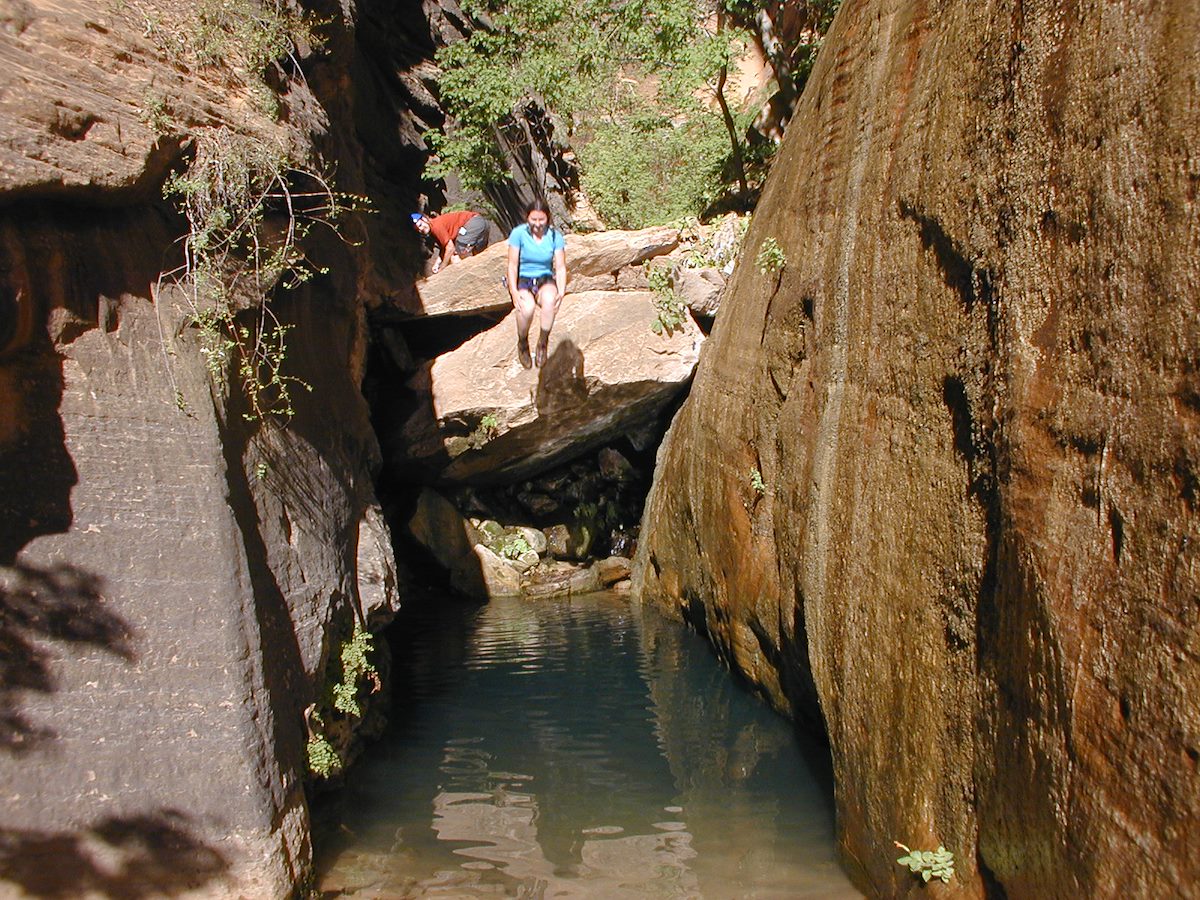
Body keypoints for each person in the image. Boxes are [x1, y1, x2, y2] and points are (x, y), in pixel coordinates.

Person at [506, 199, 566, 369]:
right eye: (534, 220)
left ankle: (543, 342)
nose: (537, 224)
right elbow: (512, 265)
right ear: (527, 218)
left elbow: (560, 267)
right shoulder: (518, 234)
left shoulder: (555, 236)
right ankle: (523, 341)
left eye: (541, 220)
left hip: (544, 278)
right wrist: (514, 292)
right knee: (527, 308)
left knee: (549, 302)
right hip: (524, 279)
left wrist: (561, 291)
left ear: (547, 218)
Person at [411, 209, 492, 272]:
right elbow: (445, 248)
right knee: (479, 256)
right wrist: (437, 264)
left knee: (455, 256)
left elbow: (450, 249)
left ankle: (465, 277)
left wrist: (442, 268)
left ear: (425, 219)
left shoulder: (436, 226)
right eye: (418, 229)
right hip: (480, 222)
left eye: (420, 225)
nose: (421, 229)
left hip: (472, 224)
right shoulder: (435, 227)